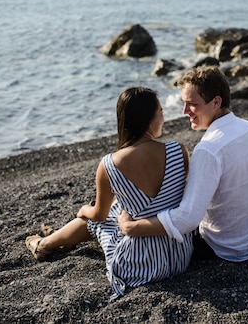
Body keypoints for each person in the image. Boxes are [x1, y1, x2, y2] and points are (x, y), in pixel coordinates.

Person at [25, 86, 192, 299]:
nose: (163, 117)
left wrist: (83, 209)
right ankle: (59, 241)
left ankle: (44, 245)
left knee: (94, 219)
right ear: (149, 118)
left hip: (141, 266)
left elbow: (99, 215)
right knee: (118, 210)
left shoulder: (109, 164)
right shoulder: (179, 150)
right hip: (179, 256)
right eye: (161, 112)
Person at [119, 66, 248, 262]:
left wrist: (132, 227)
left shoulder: (209, 149)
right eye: (184, 104)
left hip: (226, 247)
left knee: (124, 213)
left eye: (192, 104)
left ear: (216, 102)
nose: (184, 111)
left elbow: (187, 219)